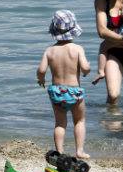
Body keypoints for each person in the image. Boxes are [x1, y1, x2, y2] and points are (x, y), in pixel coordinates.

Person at [36, 10, 91, 159]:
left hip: (57, 91)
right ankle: (79, 151)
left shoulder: (50, 51)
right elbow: (85, 67)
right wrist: (86, 71)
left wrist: (41, 79)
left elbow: (41, 70)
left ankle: (59, 152)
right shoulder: (77, 49)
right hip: (74, 91)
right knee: (79, 120)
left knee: (60, 123)